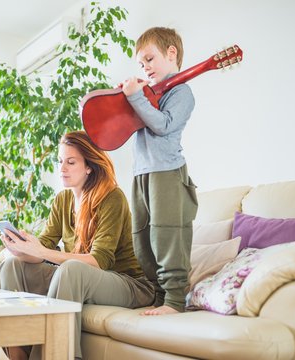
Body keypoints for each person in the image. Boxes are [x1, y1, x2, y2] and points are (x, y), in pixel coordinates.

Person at [0, 130, 154, 360]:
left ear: (89, 165)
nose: (62, 168)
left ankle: (56, 355)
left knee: (71, 269)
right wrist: (21, 250)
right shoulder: (63, 199)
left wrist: (41, 251)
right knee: (12, 266)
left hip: (128, 282)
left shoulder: (112, 198)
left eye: (70, 162)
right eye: (60, 162)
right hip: (82, 278)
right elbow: (44, 249)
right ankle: (17, 354)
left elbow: (99, 261)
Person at [121, 27, 198, 316]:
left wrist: (136, 98)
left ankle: (175, 301)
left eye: (150, 59)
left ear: (171, 53)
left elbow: (163, 125)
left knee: (166, 235)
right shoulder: (148, 93)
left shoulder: (182, 92)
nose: (145, 67)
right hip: (142, 173)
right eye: (141, 64)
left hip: (167, 172)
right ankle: (159, 295)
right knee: (142, 237)